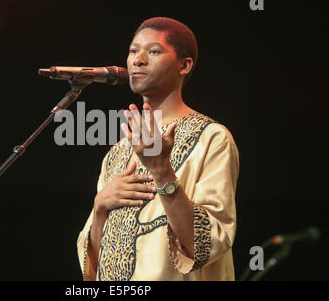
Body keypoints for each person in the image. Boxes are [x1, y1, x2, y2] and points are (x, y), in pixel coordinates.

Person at [76, 17, 240, 281]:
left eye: (153, 51)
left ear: (184, 65)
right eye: (133, 51)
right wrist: (99, 207)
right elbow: (92, 266)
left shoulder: (212, 139)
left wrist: (162, 170)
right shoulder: (119, 150)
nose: (138, 60)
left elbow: (206, 244)